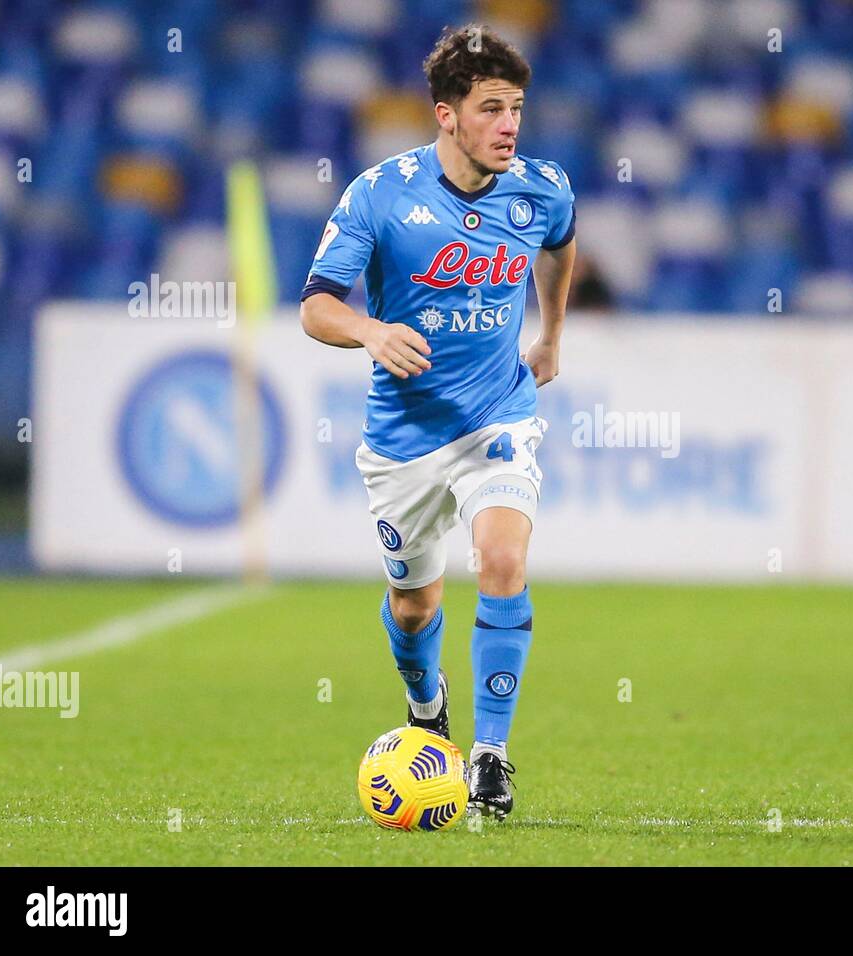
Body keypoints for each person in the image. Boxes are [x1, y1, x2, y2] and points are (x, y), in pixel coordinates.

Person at [299, 23, 576, 820]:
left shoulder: (542, 187)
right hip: (403, 443)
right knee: (414, 607)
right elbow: (317, 306)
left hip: (498, 415)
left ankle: (489, 757)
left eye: (517, 108)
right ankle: (429, 714)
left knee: (500, 558)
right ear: (446, 116)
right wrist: (372, 331)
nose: (509, 126)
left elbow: (559, 245)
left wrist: (551, 332)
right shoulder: (380, 193)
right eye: (491, 109)